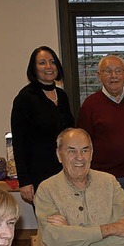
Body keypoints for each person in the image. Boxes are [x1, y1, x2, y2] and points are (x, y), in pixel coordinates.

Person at [34, 128, 124, 246]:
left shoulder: (109, 182)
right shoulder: (46, 190)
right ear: (59, 155)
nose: (80, 157)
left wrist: (71, 233)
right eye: (71, 151)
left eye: (85, 150)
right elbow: (57, 244)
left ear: (92, 154)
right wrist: (110, 230)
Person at [77, 55, 124, 221]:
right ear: (99, 75)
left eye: (118, 71)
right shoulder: (90, 105)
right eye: (108, 71)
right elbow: (83, 145)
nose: (114, 76)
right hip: (103, 179)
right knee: (107, 223)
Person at [11, 46, 75, 203]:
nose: (48, 66)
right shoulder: (25, 98)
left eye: (52, 61)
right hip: (39, 175)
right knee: (49, 222)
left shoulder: (62, 96)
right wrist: (24, 181)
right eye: (42, 62)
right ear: (34, 68)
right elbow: (18, 143)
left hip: (65, 172)